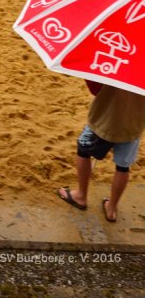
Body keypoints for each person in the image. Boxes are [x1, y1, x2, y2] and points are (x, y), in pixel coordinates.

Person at [57, 82, 145, 222]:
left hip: (105, 120)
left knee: (83, 152)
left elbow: (94, 88)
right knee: (123, 167)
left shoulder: (116, 62)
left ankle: (81, 196)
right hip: (133, 126)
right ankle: (111, 209)